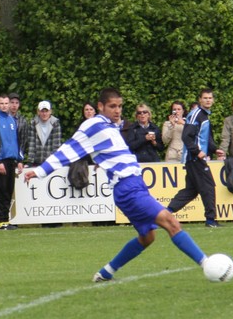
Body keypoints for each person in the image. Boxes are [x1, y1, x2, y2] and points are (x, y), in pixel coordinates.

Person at [22, 87, 211, 282]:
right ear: (100, 106)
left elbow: (108, 151)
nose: (118, 110)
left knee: (147, 237)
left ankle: (106, 272)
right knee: (171, 223)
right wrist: (40, 171)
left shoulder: (110, 125)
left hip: (135, 185)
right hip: (128, 188)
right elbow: (68, 149)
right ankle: (208, 264)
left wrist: (103, 160)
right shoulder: (93, 125)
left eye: (120, 106)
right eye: (112, 106)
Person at [166, 89, 224, 227]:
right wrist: (197, 152)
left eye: (210, 98)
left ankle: (164, 213)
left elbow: (204, 138)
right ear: (200, 100)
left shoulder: (204, 115)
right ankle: (211, 220)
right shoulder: (196, 114)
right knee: (208, 186)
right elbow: (186, 136)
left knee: (191, 191)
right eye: (205, 98)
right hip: (194, 158)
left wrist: (214, 149)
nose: (208, 100)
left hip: (195, 158)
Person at [0, 93, 21, 229]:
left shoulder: (12, 120)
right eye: (1, 103)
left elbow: (16, 141)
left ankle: (6, 220)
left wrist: (19, 159)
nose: (4, 106)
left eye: (6, 103)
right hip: (0, 161)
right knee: (0, 190)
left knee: (8, 190)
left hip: (11, 160)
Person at [23, 100, 64, 166]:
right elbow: (32, 144)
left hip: (51, 162)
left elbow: (56, 145)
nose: (44, 114)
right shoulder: (33, 123)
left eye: (46, 111)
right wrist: (30, 161)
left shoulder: (55, 123)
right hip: (36, 161)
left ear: (50, 111)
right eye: (42, 111)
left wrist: (54, 161)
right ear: (38, 112)